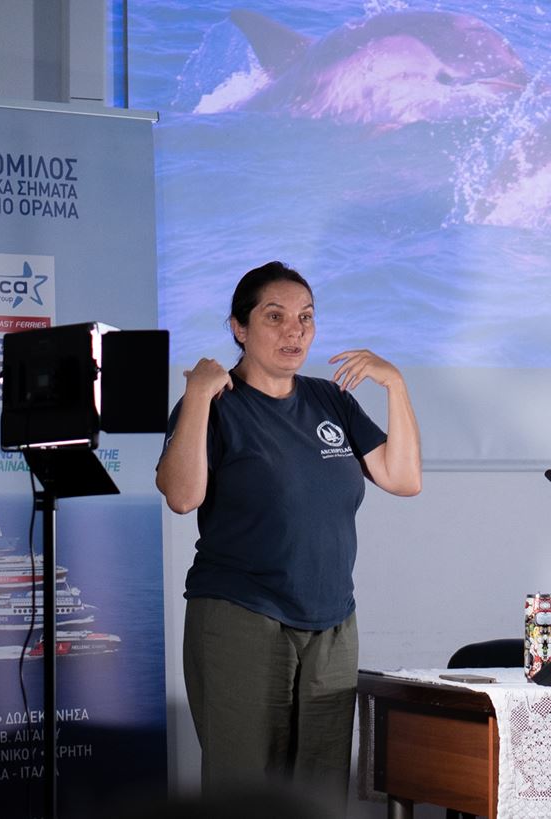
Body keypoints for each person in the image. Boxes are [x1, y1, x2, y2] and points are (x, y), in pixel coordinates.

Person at [156, 261, 421, 810]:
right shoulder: (215, 405)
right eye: (274, 316)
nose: (294, 331)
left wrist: (395, 383)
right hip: (242, 615)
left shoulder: (331, 401)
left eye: (305, 317)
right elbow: (182, 496)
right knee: (247, 794)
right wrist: (201, 396)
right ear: (239, 328)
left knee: (320, 796)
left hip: (331, 622)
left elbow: (404, 478)